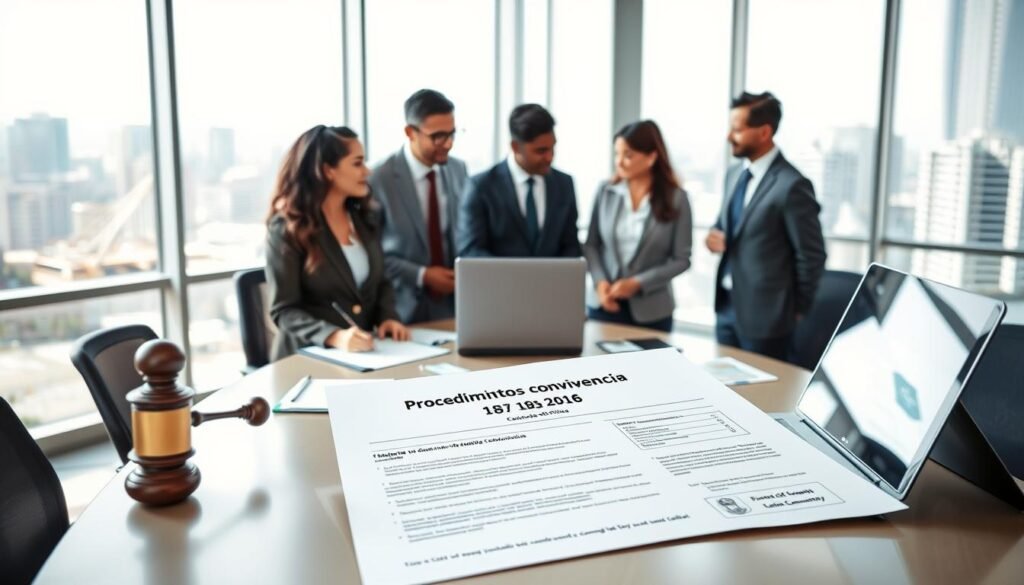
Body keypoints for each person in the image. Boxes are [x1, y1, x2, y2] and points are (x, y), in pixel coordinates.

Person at [265, 125, 409, 361]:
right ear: (328, 170)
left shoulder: (364, 218)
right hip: (306, 359)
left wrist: (388, 317)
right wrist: (334, 336)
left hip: (366, 356)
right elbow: (284, 310)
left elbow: (381, 282)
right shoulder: (287, 229)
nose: (367, 171)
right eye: (357, 163)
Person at [706, 91, 826, 360]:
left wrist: (797, 309)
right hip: (726, 308)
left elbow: (812, 255)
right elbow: (724, 225)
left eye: (737, 129)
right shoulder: (734, 174)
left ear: (764, 132)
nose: (729, 136)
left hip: (768, 319)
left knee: (760, 399)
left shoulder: (792, 185)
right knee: (722, 390)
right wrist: (713, 238)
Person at [583, 120, 693, 332]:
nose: (619, 162)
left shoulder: (677, 199)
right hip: (604, 305)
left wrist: (638, 283)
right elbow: (592, 245)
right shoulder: (605, 191)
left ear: (652, 157)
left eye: (628, 155)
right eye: (617, 154)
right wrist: (600, 283)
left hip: (652, 311)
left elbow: (681, 260)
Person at [370, 89, 468, 323]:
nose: (448, 144)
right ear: (410, 132)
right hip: (401, 310)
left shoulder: (458, 169)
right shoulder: (378, 178)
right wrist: (422, 275)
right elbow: (372, 253)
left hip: (455, 305)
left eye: (452, 134)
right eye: (438, 136)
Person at [456, 104, 581, 257]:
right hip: (499, 280)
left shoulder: (564, 184)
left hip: (552, 280)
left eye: (552, 148)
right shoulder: (481, 186)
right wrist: (514, 276)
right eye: (541, 151)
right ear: (515, 147)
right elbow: (470, 250)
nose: (550, 157)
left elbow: (571, 246)